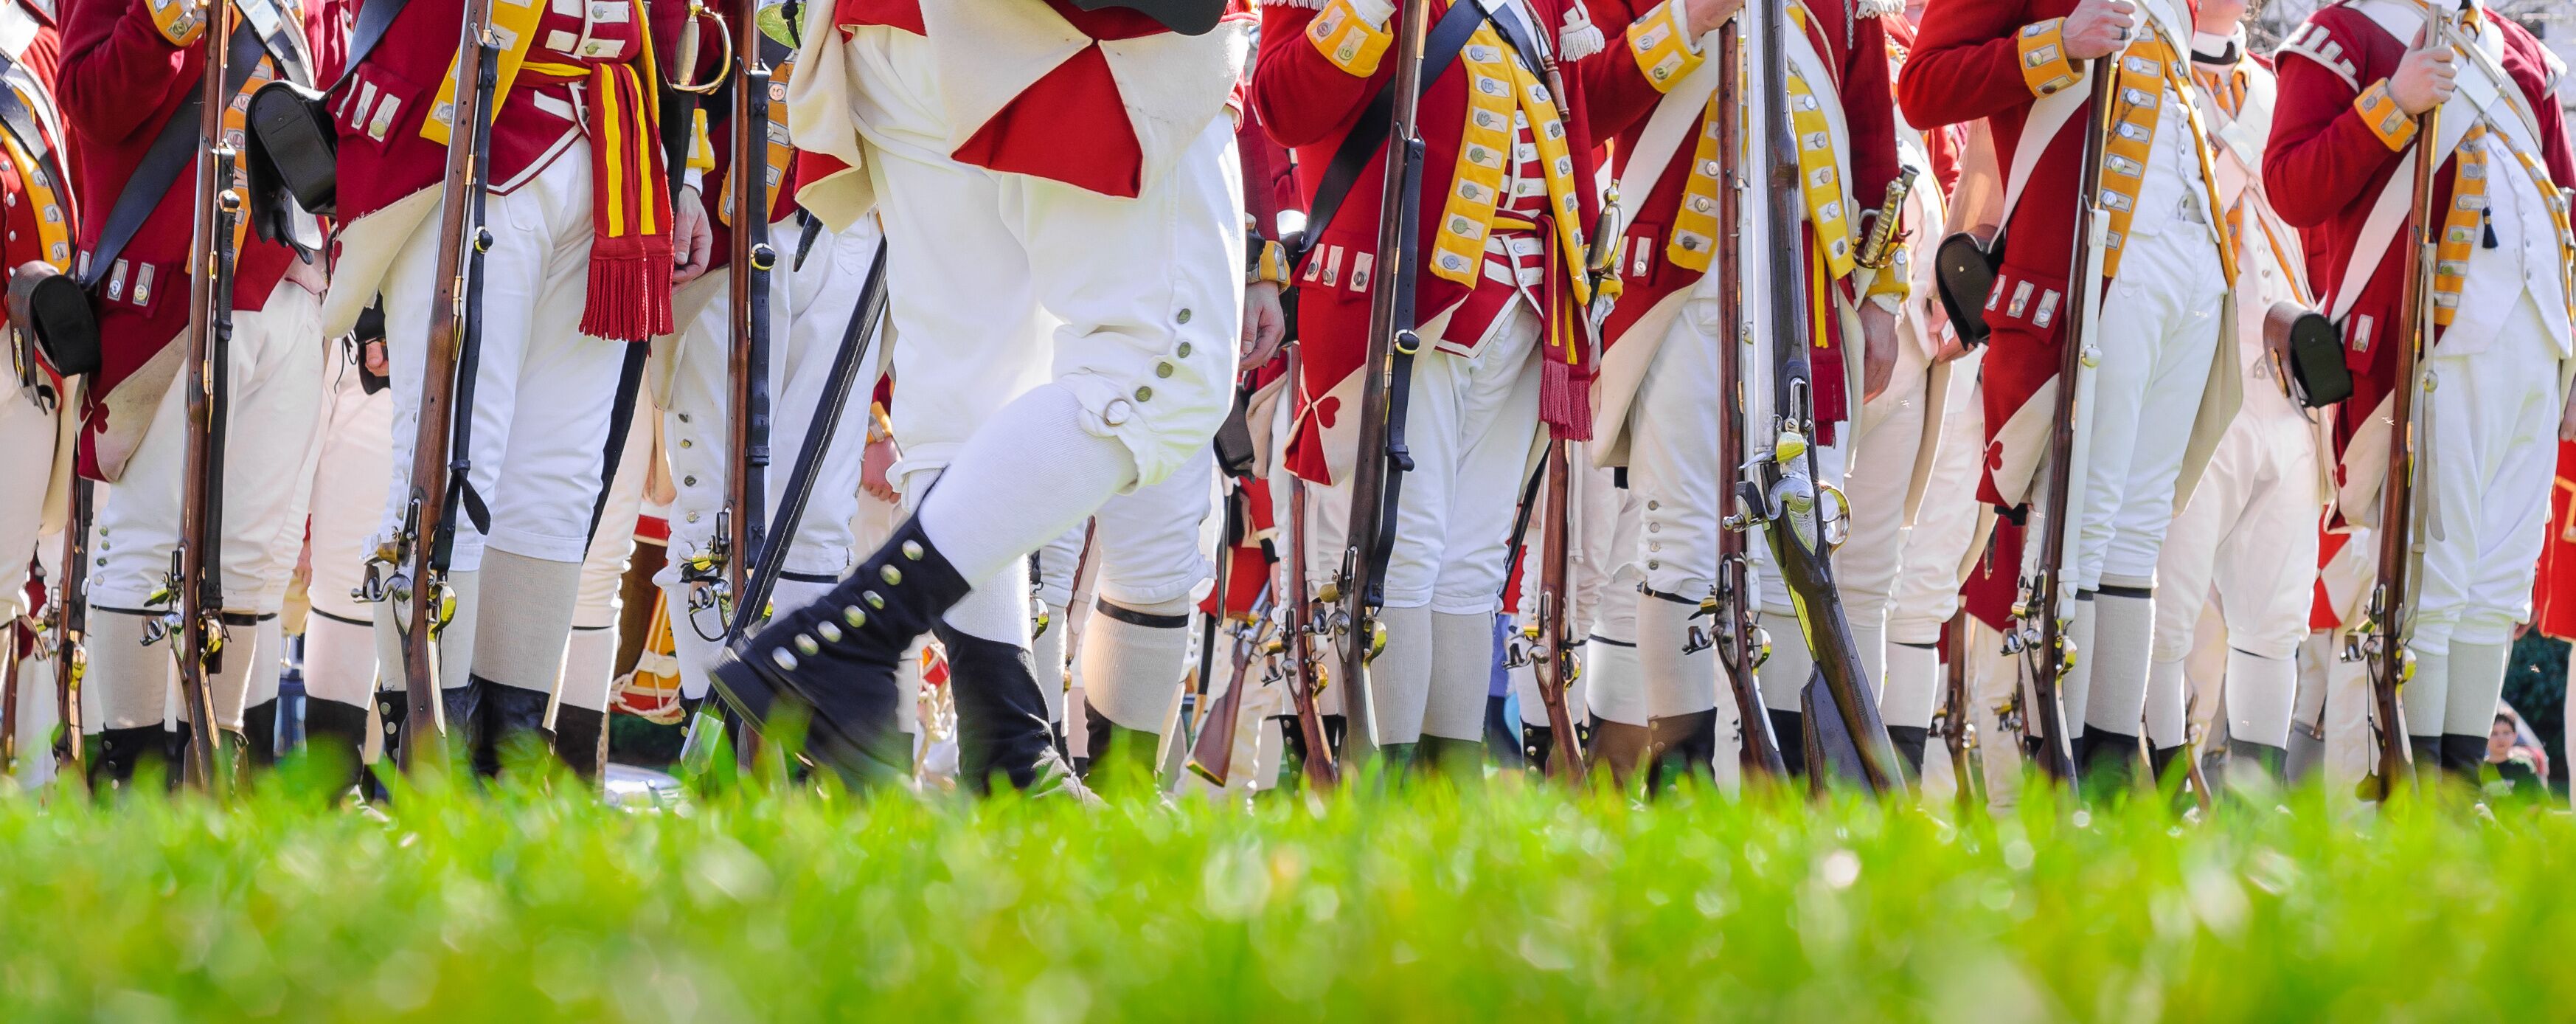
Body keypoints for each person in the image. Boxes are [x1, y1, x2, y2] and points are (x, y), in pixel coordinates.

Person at [710, 1, 1249, 794]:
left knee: (967, 399)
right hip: (1066, 28)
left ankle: (1006, 752)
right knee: (1160, 367)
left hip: (894, 32)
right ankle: (852, 637)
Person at [1253, 0, 1736, 776]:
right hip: (1407, 295)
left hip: (1525, 305)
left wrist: (1683, 24)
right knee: (1401, 553)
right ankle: (1387, 790)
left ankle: (1447, 785)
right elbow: (1283, 103)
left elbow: (1580, 110)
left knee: (1471, 560)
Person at [324, 0, 711, 771]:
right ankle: (434, 750)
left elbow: (673, 17)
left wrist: (685, 169)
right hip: (474, 121)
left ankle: (509, 759)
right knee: (446, 466)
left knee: (559, 486)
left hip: (616, 147)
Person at [1900, 0, 2243, 786]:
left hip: (2188, 268)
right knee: (2080, 520)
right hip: (2099, 261)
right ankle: (2056, 759)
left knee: (2138, 527)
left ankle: (2114, 763)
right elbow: (1923, 85)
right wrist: (2055, 43)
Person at [2266, 0, 2575, 783]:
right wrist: (2391, 105)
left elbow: (2564, 200)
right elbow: (2291, 184)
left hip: (2536, 346)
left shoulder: (2517, 53)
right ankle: (2409, 782)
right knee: (2433, 570)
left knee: (2496, 579)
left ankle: (2458, 781)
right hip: (2432, 343)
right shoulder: (2344, 34)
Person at [60, 0, 330, 776]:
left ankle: (213, 765)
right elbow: (95, 102)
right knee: (146, 545)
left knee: (249, 557)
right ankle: (135, 771)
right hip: (175, 290)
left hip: (286, 277)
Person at [2136, 0, 2331, 790]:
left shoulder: (2279, 94)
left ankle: (2255, 796)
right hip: (2192, 382)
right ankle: (2156, 781)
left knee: (2276, 615)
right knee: (2163, 606)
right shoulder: (2155, 76)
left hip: (2286, 393)